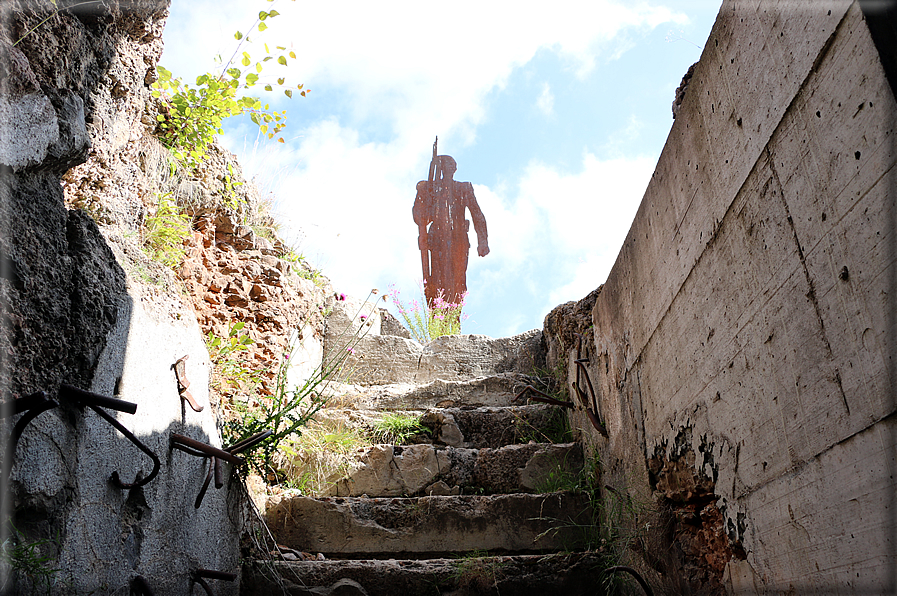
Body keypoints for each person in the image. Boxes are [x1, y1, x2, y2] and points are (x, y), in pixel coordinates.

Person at [412, 154, 489, 308]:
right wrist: (422, 194)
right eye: (443, 165)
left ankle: (454, 315)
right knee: (437, 280)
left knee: (458, 280)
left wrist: (483, 240)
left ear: (455, 169)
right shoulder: (430, 189)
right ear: (439, 169)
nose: (448, 169)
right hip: (436, 241)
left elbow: (477, 214)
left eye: (450, 165)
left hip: (459, 240)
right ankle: (437, 315)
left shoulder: (464, 188)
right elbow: (420, 219)